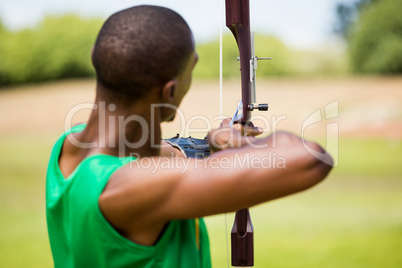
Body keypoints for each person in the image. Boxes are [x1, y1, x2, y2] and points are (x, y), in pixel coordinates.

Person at [46, 5, 333, 268]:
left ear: (98, 57)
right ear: (169, 91)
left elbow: (160, 152)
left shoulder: (70, 147)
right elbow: (309, 157)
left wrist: (211, 143)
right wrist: (242, 147)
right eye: (191, 70)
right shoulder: (128, 187)